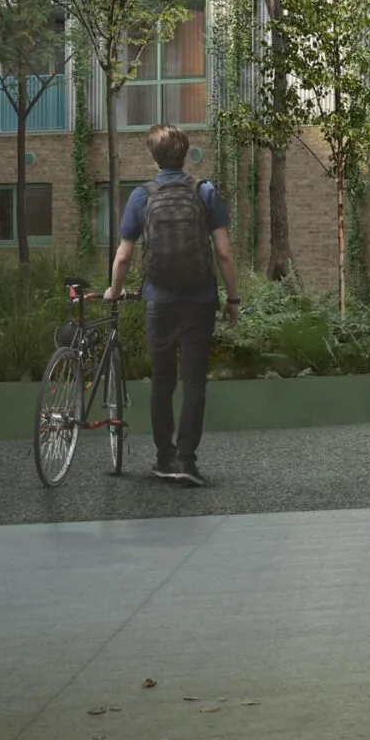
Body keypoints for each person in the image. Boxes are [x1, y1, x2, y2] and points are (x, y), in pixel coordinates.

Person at [107, 125, 237, 486]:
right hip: (200, 298)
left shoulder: (142, 195)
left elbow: (123, 256)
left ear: (154, 157)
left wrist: (114, 290)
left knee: (162, 382)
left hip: (159, 299)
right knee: (194, 382)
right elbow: (224, 253)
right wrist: (233, 298)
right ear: (186, 155)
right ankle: (186, 461)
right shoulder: (204, 191)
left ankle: (164, 458)